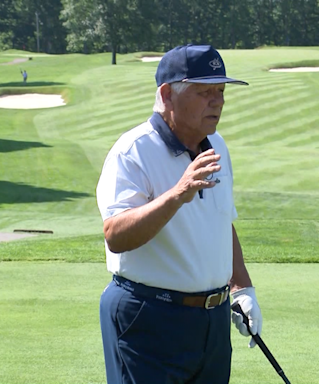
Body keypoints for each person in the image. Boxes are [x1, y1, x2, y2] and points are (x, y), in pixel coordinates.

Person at [96, 44, 262, 384]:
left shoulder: (217, 146)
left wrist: (242, 289)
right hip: (149, 318)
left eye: (221, 91)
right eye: (204, 92)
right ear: (167, 94)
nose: (218, 101)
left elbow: (220, 222)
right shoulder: (132, 152)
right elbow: (116, 235)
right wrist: (177, 194)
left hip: (212, 323)